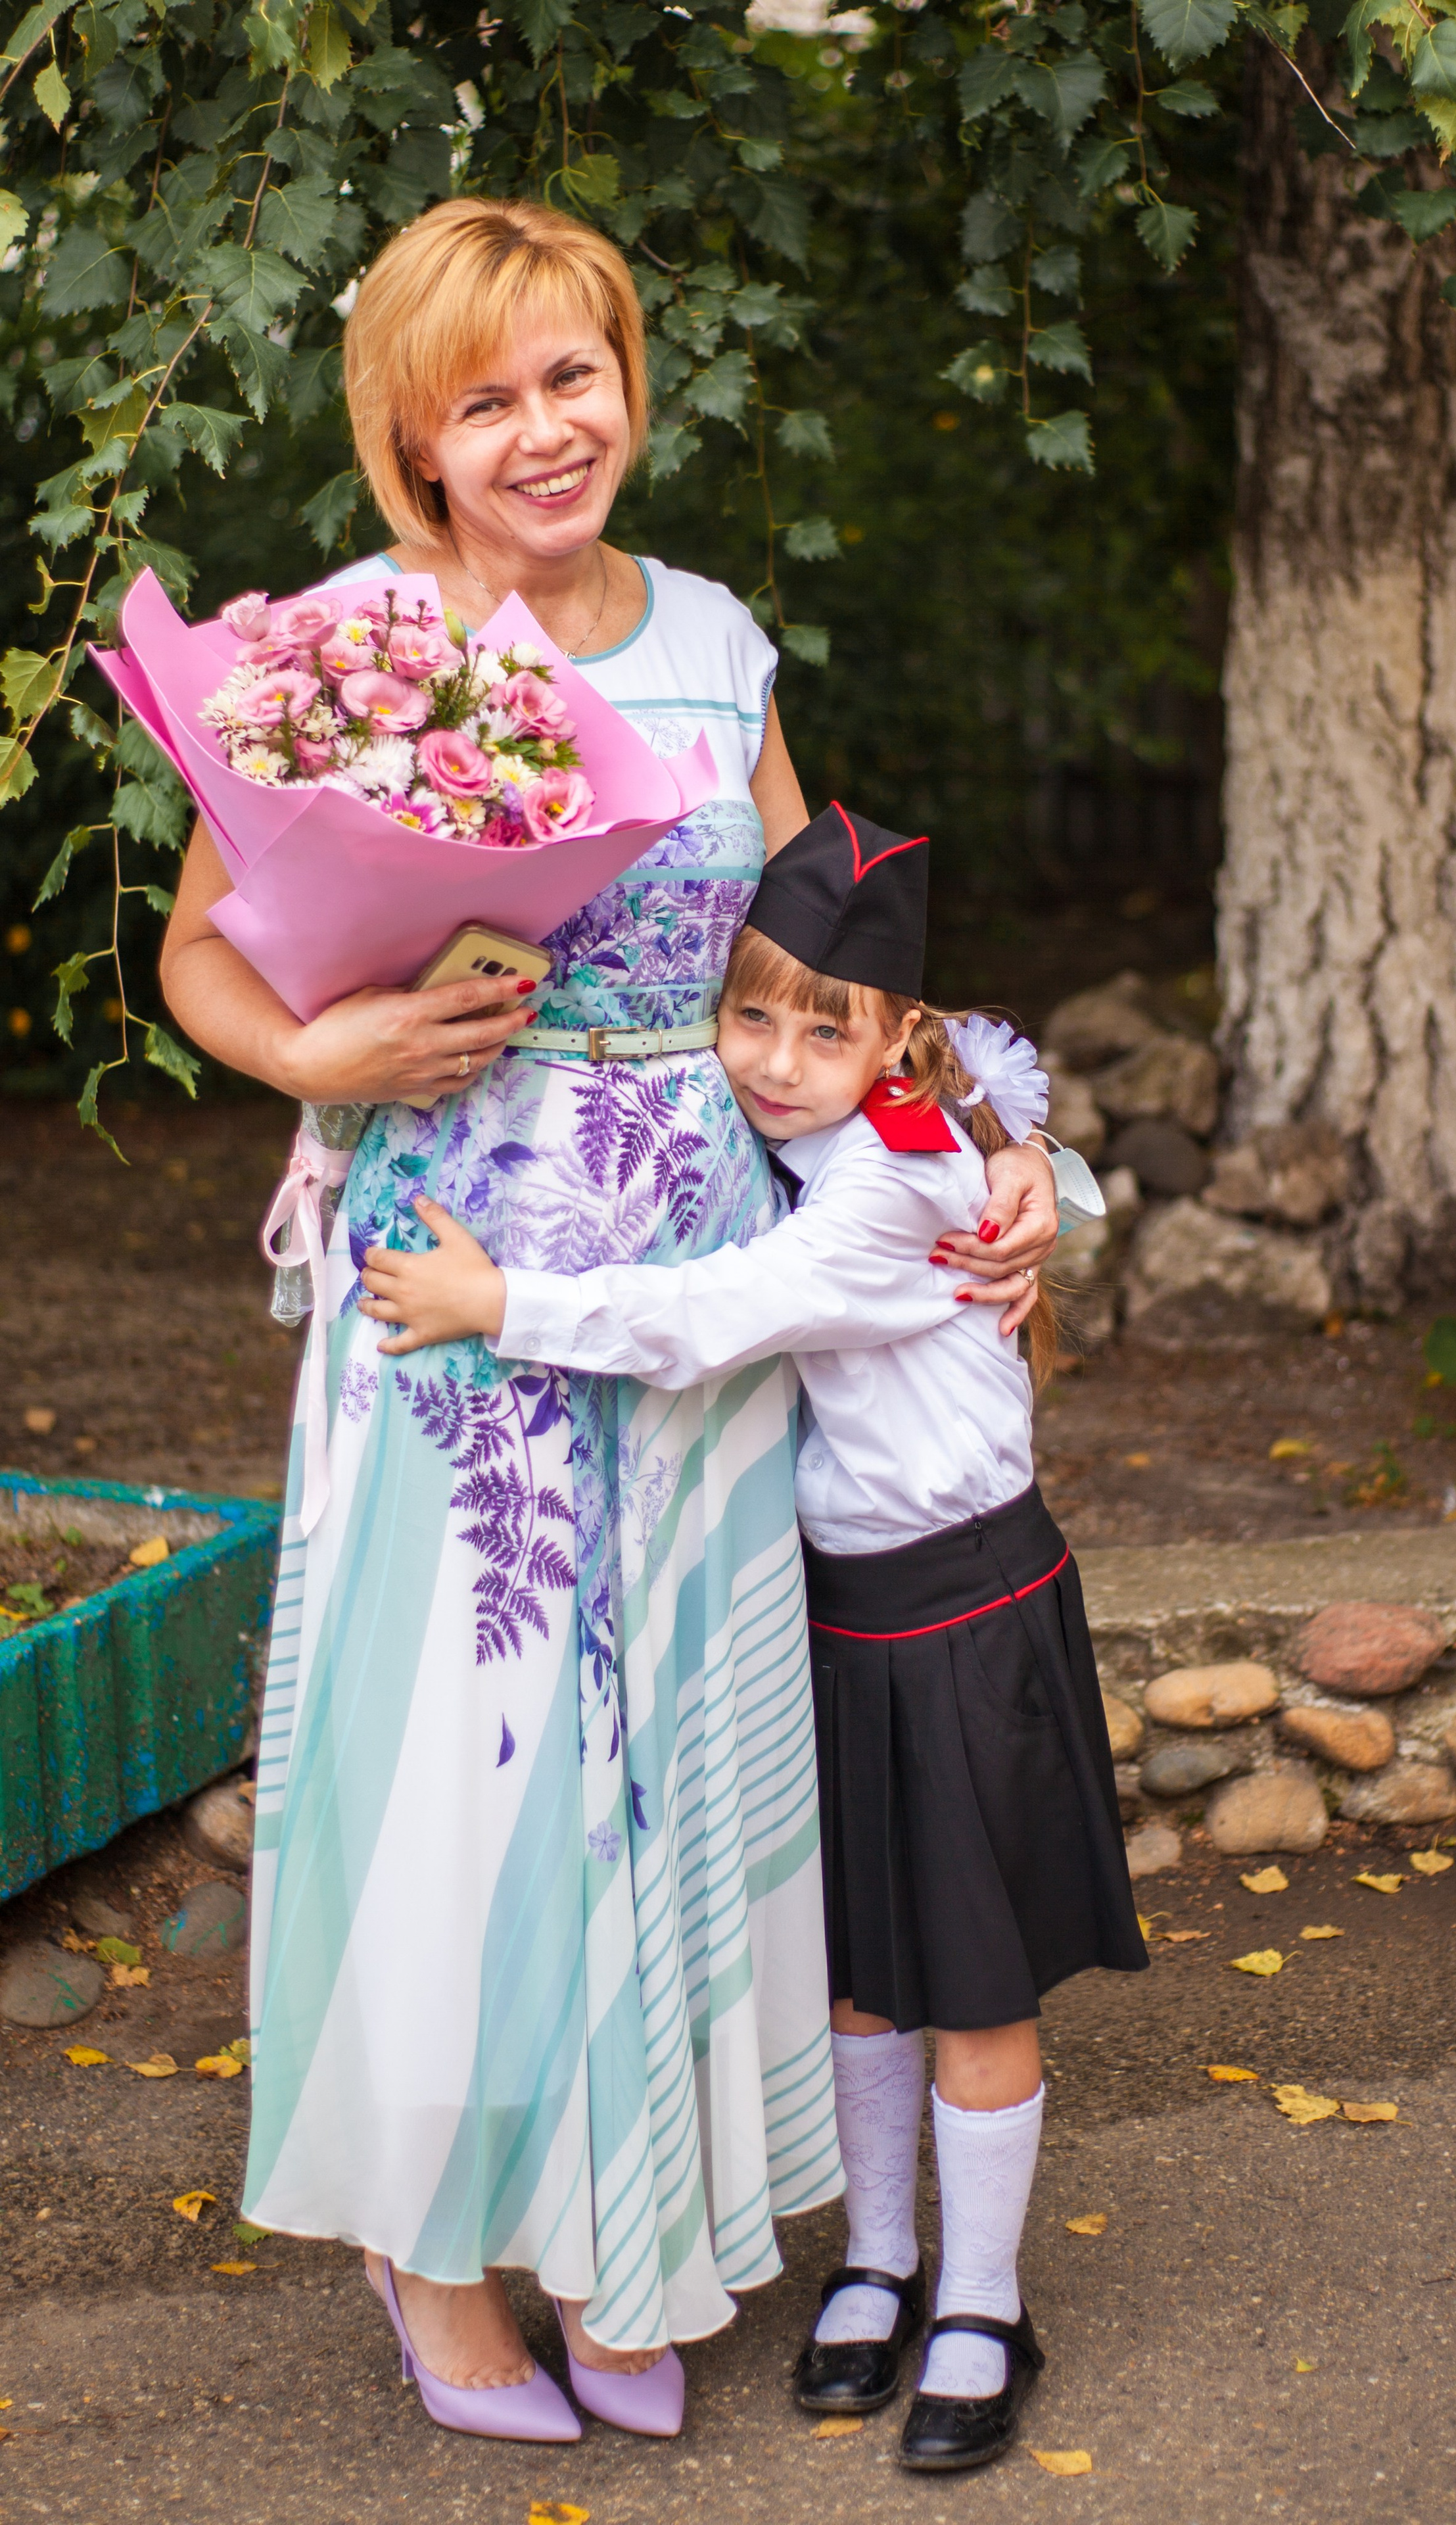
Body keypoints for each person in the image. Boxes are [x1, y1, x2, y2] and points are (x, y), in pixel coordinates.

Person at [158, 199, 1060, 2443]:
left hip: (703, 1262)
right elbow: (200, 953)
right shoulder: (341, 643)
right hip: (451, 1277)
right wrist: (312, 1060)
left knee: (678, 1756)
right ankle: (437, 2258)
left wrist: (991, 1148)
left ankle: (628, 2227)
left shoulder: (724, 642)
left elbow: (820, 978)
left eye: (579, 376)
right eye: (490, 397)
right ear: (414, 434)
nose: (548, 430)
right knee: (472, 1776)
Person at [354, 802, 1148, 2472]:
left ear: (893, 1034)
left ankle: (984, 2303)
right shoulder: (847, 1120)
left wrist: (497, 1304)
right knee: (862, 1977)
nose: (779, 1060)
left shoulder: (877, 1194)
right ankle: (873, 2263)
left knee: (974, 1990)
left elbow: (707, 1319)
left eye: (824, 1024)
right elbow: (997, 1079)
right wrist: (1032, 1154)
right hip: (842, 1620)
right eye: (751, 1013)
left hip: (965, 1612)